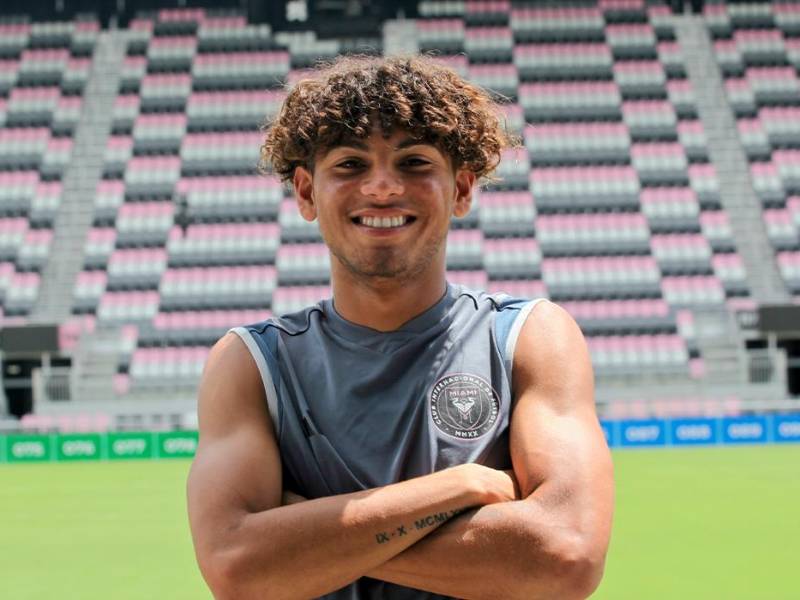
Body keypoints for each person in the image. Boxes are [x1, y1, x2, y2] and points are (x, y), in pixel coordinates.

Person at [186, 55, 614, 600]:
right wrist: (457, 488)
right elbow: (236, 570)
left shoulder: (530, 336)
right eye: (349, 164)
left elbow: (565, 557)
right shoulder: (250, 362)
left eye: (413, 162)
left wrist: (313, 534)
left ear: (460, 190)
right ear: (306, 192)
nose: (383, 187)